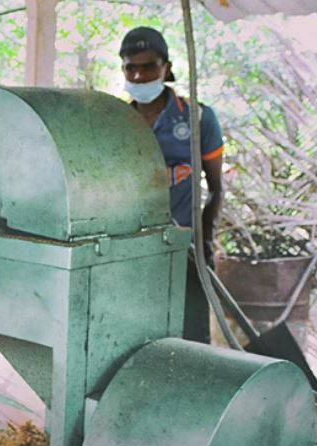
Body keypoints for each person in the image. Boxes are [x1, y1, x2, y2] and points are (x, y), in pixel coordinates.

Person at [120, 26, 225, 344]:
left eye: (148, 67)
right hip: (132, 252)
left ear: (166, 67)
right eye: (130, 68)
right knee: (136, 337)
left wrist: (204, 240)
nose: (138, 77)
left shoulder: (197, 118)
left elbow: (216, 188)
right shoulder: (117, 121)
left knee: (190, 339)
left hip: (185, 252)